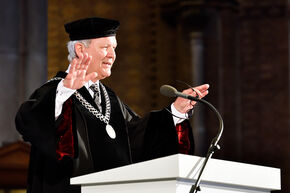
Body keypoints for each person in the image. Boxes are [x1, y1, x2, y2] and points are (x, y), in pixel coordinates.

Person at [15, 17, 209, 193]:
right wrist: (65, 91)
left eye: (114, 48)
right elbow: (29, 122)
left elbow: (136, 137)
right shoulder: (54, 93)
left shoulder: (110, 98)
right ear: (80, 50)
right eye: (105, 48)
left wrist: (175, 112)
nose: (112, 55)